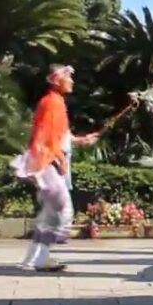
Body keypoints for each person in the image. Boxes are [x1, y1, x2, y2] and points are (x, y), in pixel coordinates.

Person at [13, 65, 99, 272]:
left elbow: (60, 134)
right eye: (68, 77)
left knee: (51, 213)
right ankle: (39, 258)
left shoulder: (55, 102)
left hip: (46, 160)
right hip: (46, 162)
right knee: (62, 210)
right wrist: (59, 158)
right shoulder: (52, 103)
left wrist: (80, 140)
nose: (72, 81)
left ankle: (35, 259)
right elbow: (46, 136)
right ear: (56, 80)